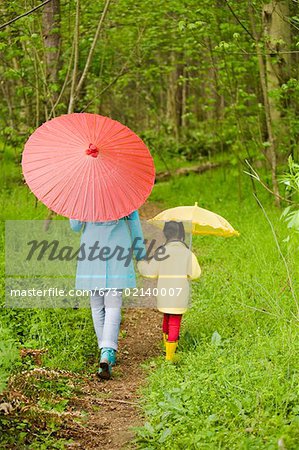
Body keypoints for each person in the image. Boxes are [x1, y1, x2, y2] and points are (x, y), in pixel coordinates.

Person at [70, 210, 146, 379]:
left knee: (97, 306)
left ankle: (104, 351)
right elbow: (134, 224)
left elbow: (75, 226)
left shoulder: (84, 194)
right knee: (113, 304)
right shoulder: (123, 191)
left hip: (92, 252)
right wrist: (140, 253)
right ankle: (107, 351)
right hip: (117, 251)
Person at [138, 221, 201, 362]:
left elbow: (150, 272)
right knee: (175, 321)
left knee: (167, 317)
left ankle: (167, 347)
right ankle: (170, 356)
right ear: (182, 235)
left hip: (165, 293)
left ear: (166, 234)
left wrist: (141, 263)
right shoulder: (187, 253)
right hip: (179, 294)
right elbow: (195, 274)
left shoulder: (161, 251)